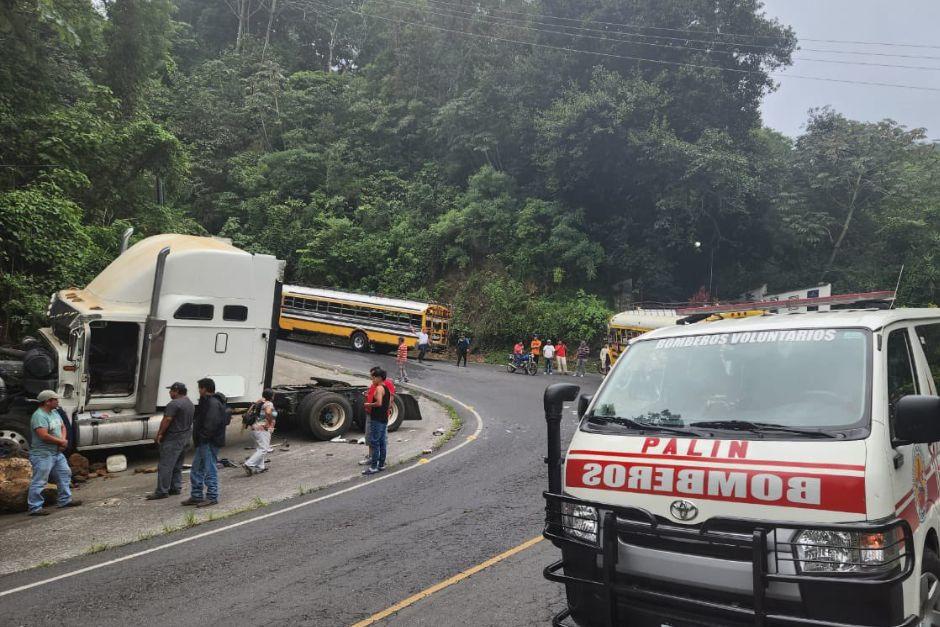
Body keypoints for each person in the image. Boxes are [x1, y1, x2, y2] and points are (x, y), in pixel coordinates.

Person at [27, 390, 81, 516]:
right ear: (47, 402)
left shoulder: (54, 412)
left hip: (56, 453)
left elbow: (62, 427)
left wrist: (62, 441)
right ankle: (35, 507)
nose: (58, 402)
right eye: (55, 399)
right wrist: (61, 442)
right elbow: (43, 435)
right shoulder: (39, 416)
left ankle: (65, 500)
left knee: (64, 474)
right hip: (42, 454)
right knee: (40, 480)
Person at [184, 378, 228, 508]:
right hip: (203, 442)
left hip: (208, 442)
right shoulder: (207, 402)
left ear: (204, 388)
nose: (198, 390)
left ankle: (212, 496)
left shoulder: (213, 403)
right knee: (197, 469)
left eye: (200, 388)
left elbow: (211, 423)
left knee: (210, 469)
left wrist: (203, 437)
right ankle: (197, 496)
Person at [147, 382, 195, 500]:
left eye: (171, 391)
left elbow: (167, 419)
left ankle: (162, 491)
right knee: (177, 464)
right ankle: (175, 487)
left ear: (177, 391)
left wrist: (160, 434)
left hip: (173, 438)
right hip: (186, 437)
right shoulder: (189, 402)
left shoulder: (174, 404)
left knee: (165, 465)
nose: (169, 393)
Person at [359, 368, 396, 467]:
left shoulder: (382, 386)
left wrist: (369, 405)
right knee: (372, 437)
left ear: (379, 377)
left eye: (373, 376)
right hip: (373, 414)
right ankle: (377, 461)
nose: (371, 379)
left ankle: (375, 464)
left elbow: (385, 401)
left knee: (377, 439)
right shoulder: (376, 385)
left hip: (378, 416)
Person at [244, 388, 276, 476]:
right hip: (262, 429)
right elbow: (268, 412)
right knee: (264, 449)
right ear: (272, 396)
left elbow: (249, 410)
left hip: (255, 428)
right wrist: (269, 423)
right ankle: (249, 464)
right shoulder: (268, 403)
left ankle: (260, 467)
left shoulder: (259, 402)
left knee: (260, 448)